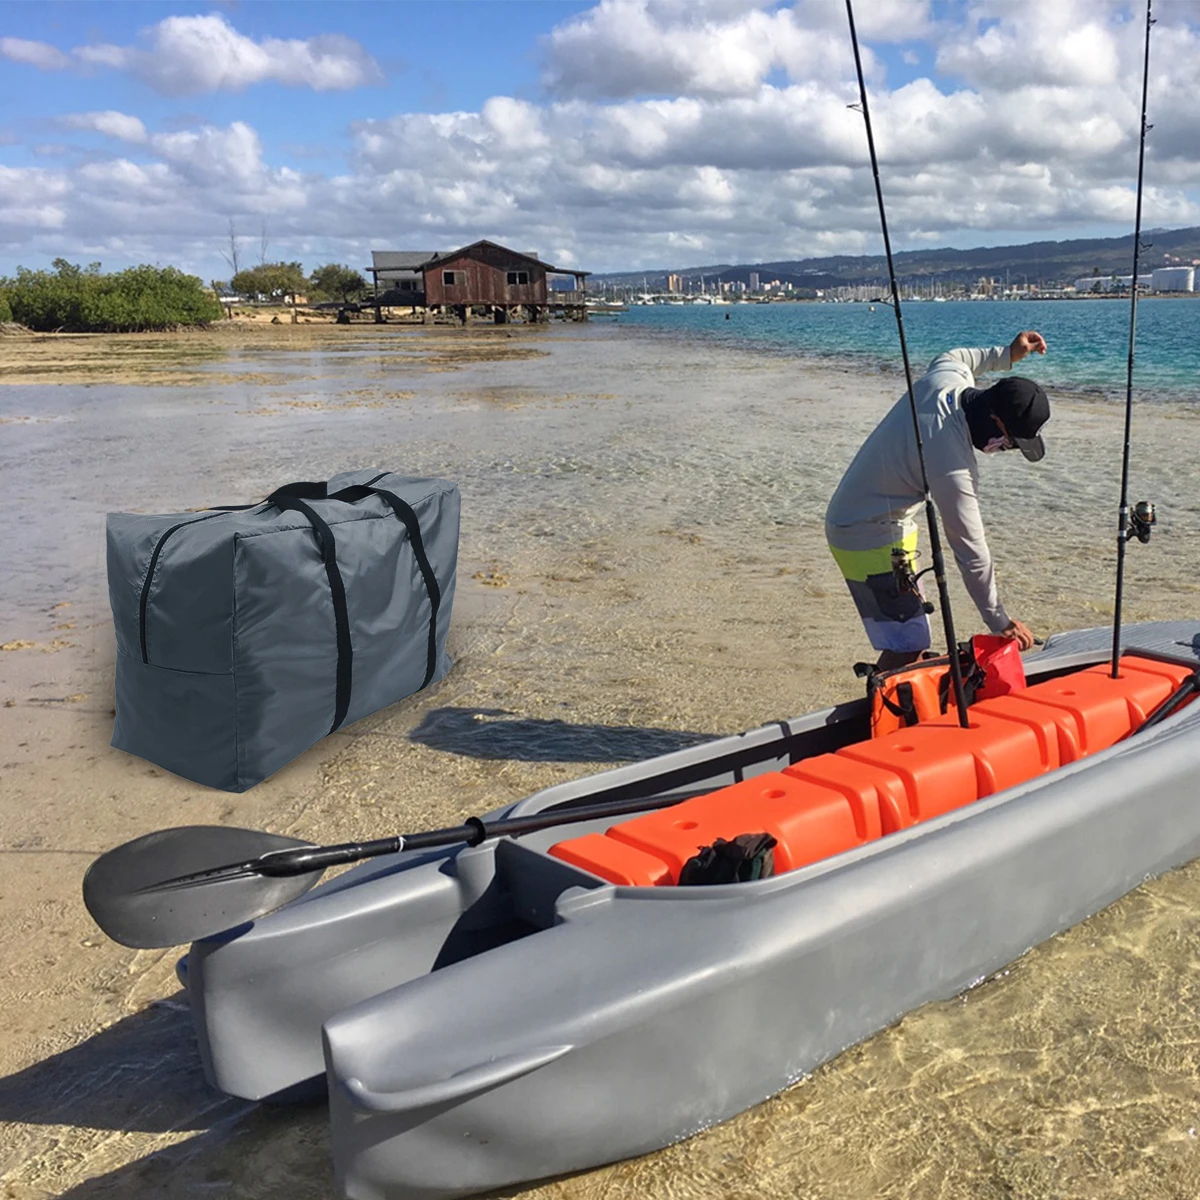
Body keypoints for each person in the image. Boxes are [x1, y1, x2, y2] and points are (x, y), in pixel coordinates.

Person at [825, 330, 1050, 670]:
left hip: (887, 521)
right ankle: (882, 712)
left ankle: (902, 702)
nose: (1005, 451)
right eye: (1010, 443)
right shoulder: (953, 463)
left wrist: (1007, 353)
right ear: (996, 422)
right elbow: (971, 550)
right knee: (908, 643)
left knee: (913, 635)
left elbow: (957, 354)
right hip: (863, 532)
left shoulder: (949, 376)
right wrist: (1000, 622)